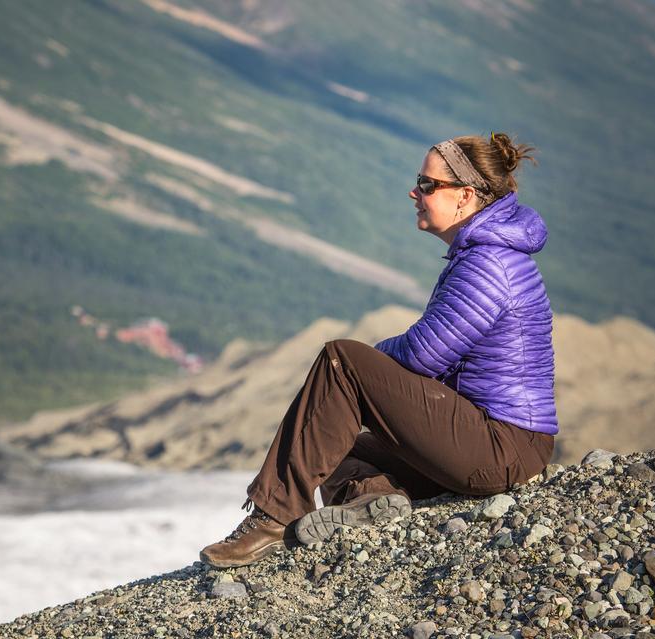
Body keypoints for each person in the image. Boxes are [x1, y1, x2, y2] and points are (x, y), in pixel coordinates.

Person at [199, 132, 558, 568]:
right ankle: (376, 503)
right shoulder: (485, 255)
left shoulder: (490, 265)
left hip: (502, 448)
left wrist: (363, 367)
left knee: (342, 359)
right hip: (491, 442)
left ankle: (274, 515)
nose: (414, 192)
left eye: (427, 185)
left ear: (465, 196)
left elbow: (425, 355)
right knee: (334, 443)